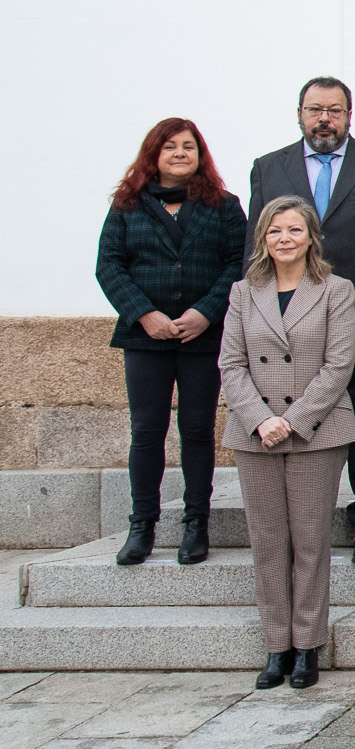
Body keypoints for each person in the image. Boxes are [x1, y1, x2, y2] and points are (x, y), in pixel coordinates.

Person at [248, 77, 355, 567]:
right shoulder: (268, 167)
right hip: (287, 325)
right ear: (299, 113)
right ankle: (300, 527)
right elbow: (253, 248)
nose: (325, 119)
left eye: (335, 110)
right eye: (316, 109)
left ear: (349, 115)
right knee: (296, 424)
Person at [218, 197, 355, 692]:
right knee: (268, 543)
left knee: (311, 542)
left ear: (310, 237)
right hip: (255, 436)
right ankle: (276, 646)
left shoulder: (335, 290)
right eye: (275, 230)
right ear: (263, 238)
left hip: (316, 433)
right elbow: (231, 365)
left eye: (294, 230)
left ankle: (306, 646)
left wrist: (292, 420)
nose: (284, 238)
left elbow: (338, 366)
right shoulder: (242, 293)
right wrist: (261, 420)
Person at [96, 118, 247, 567]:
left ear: (201, 156)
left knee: (198, 431)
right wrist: (145, 315)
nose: (180, 153)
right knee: (146, 431)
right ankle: (141, 526)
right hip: (146, 339)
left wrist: (205, 312)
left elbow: (238, 264)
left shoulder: (224, 206)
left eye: (189, 146)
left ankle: (195, 525)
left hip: (203, 337)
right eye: (170, 147)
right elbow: (109, 266)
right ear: (153, 155)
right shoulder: (127, 205)